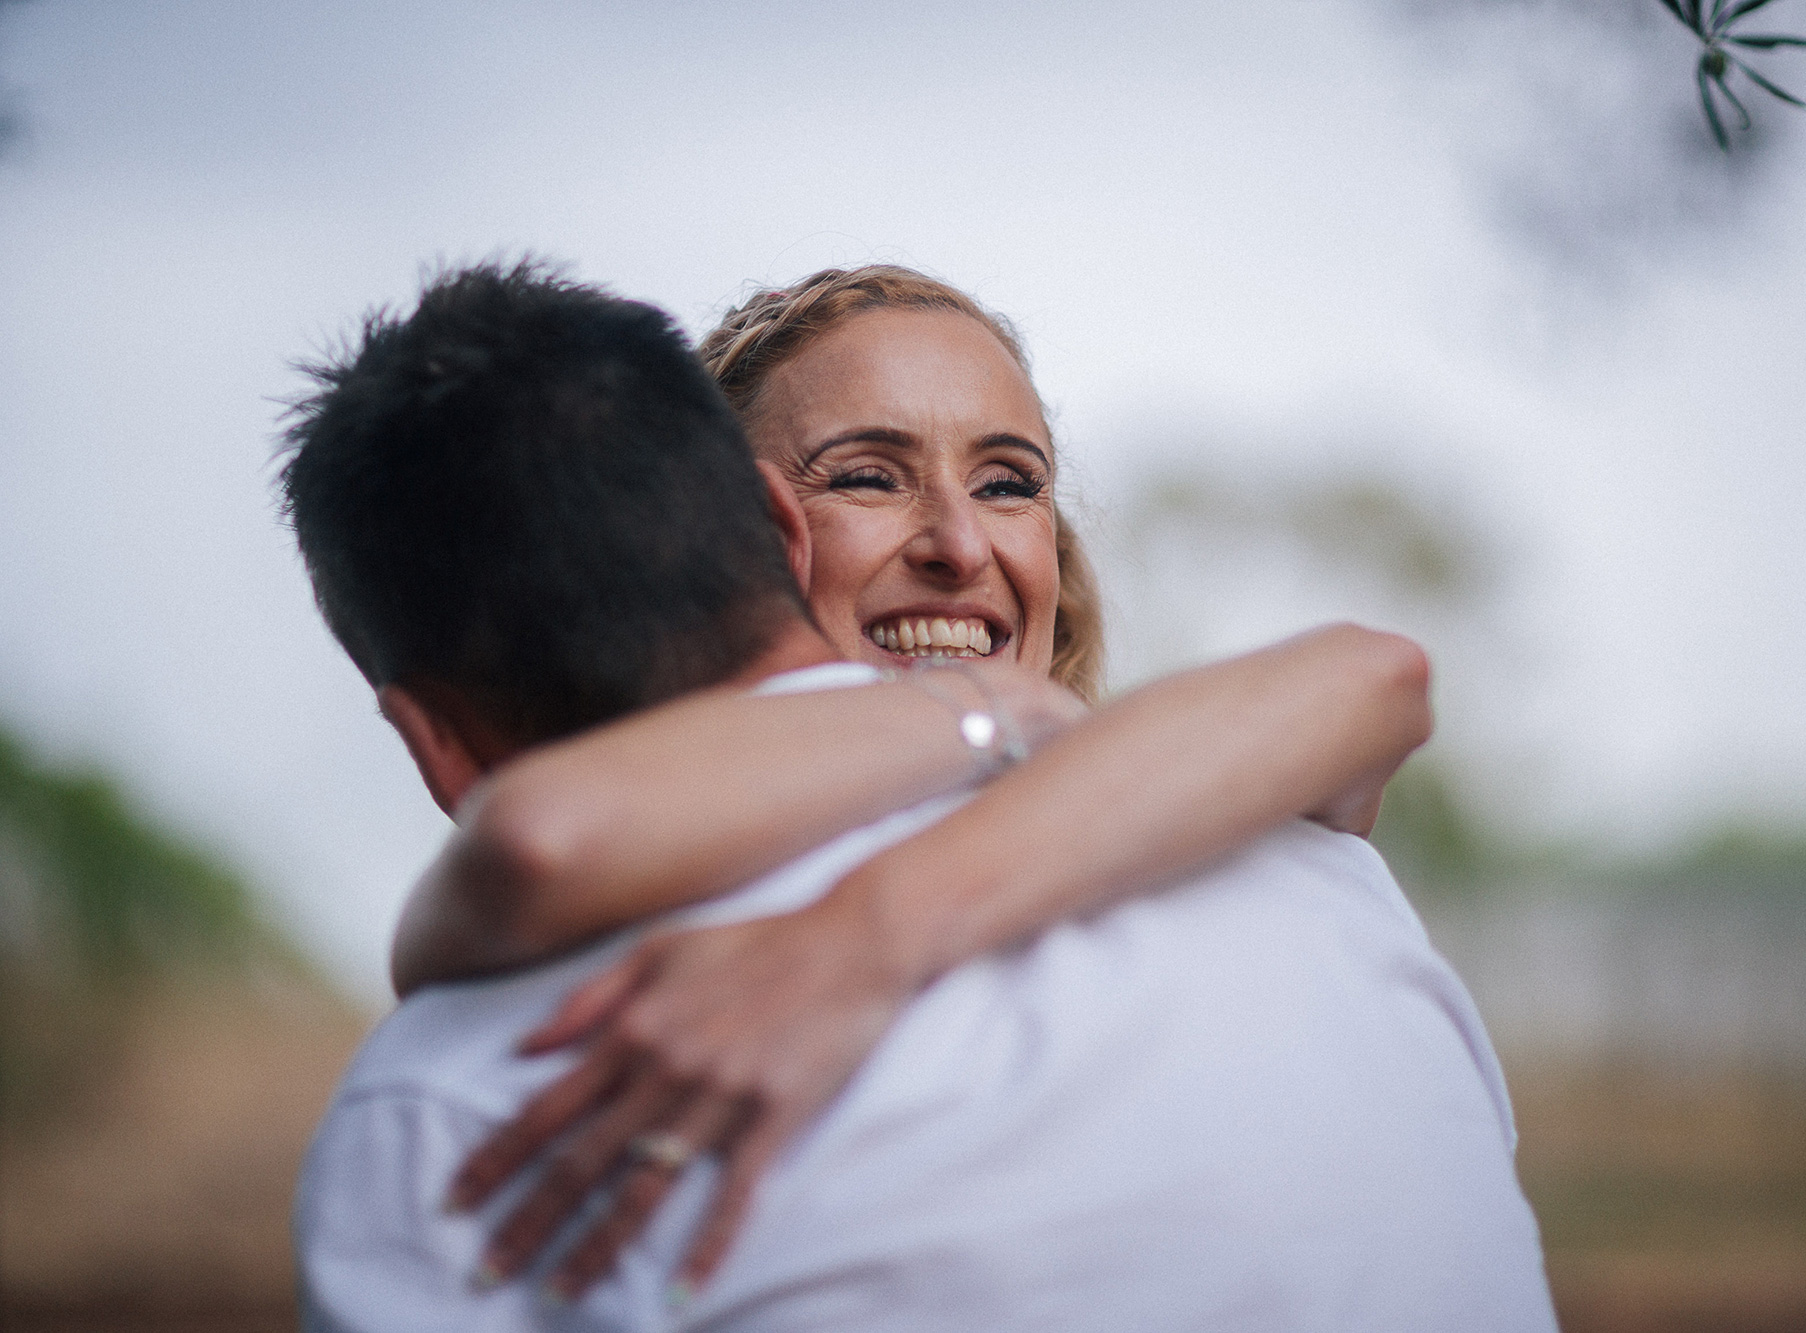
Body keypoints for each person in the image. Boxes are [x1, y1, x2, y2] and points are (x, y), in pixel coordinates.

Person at [288, 261, 1555, 1330]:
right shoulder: (1325, 898)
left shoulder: (467, 1091)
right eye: (869, 475)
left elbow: (1371, 678)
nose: (959, 543)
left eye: (1009, 481)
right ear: (764, 535)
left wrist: (865, 937)